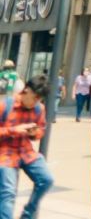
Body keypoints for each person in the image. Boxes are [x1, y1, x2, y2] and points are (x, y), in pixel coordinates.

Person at [0, 75, 52, 219]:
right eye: (35, 98)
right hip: (5, 151)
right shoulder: (5, 105)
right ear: (26, 90)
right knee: (8, 192)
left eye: (40, 99)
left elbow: (41, 129)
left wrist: (35, 133)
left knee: (46, 179)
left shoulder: (39, 109)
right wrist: (13, 130)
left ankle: (27, 214)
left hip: (26, 151)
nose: (36, 102)